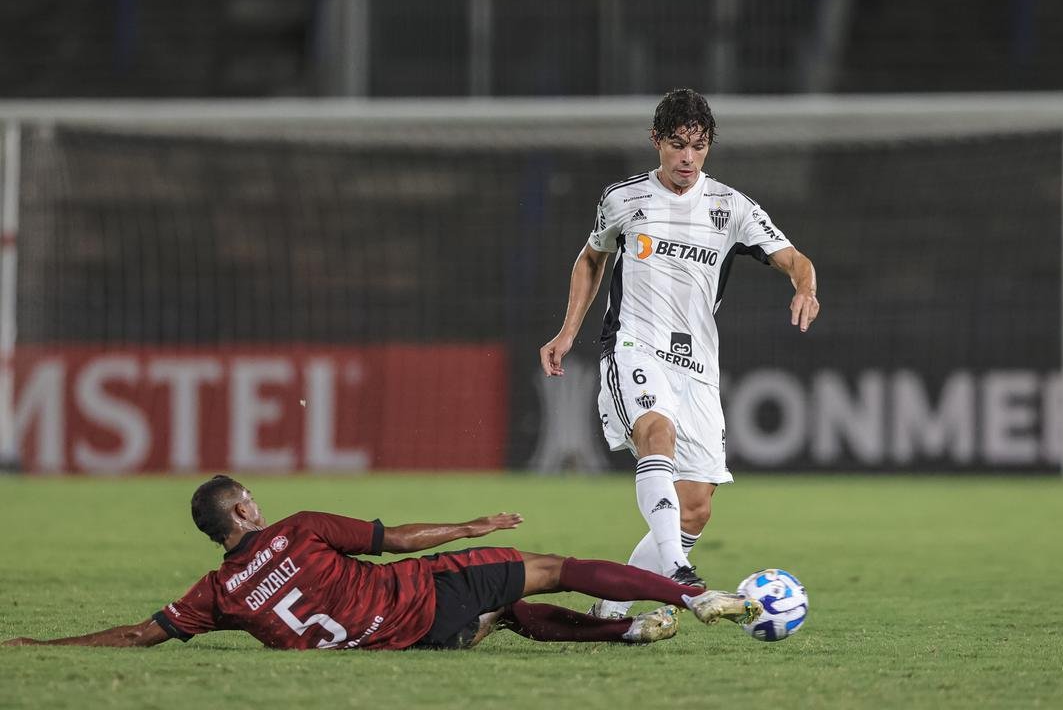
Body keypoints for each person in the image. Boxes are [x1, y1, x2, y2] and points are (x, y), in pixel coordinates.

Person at [539, 88, 819, 618]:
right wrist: (567, 331)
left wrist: (805, 287)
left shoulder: (730, 206)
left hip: (696, 365)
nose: (688, 158)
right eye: (677, 145)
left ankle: (609, 608)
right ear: (656, 142)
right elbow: (591, 259)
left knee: (696, 505)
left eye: (698, 146)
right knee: (655, 433)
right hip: (632, 345)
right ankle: (679, 576)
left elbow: (795, 258)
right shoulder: (622, 199)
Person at [2, 475, 761, 650]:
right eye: (248, 498)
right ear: (239, 514)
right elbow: (394, 540)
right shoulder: (296, 531)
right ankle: (687, 596)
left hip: (409, 641)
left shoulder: (217, 594)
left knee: (505, 610)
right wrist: (472, 523)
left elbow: (139, 636)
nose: (257, 503)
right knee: (553, 566)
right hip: (421, 595)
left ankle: (625, 636)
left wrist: (38, 648)